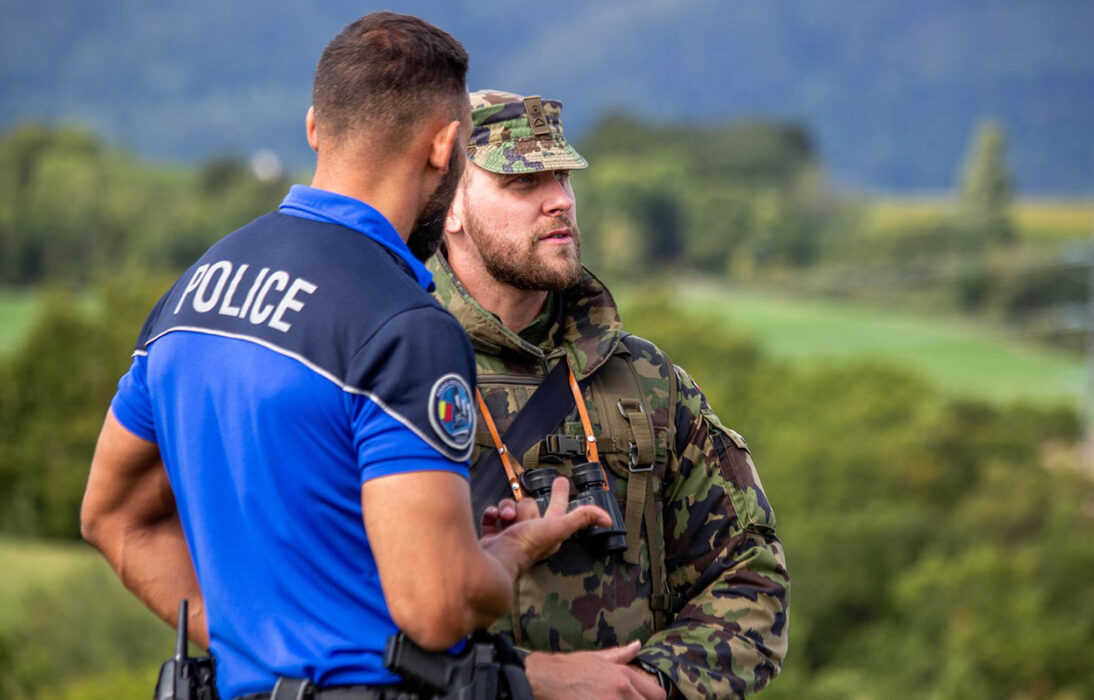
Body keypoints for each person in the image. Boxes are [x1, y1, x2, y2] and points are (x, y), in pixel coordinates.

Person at [79, 19, 608, 700]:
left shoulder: (195, 289)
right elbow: (438, 605)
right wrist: (509, 553)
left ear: (314, 128)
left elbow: (112, 516)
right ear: (444, 148)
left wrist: (257, 645)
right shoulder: (404, 325)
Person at [429, 89, 791, 699]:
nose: (560, 201)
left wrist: (642, 684)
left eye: (564, 177)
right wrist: (526, 684)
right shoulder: (391, 370)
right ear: (449, 208)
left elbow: (749, 574)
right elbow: (334, 604)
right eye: (523, 182)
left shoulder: (645, 380)